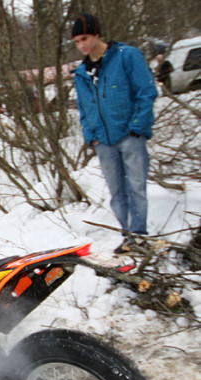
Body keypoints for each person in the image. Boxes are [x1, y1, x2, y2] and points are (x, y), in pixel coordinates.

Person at [71, 13, 158, 254]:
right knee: (116, 192)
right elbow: (84, 108)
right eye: (77, 41)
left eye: (85, 38)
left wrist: (137, 128)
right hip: (104, 142)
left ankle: (139, 235)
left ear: (97, 34)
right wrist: (92, 136)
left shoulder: (126, 56)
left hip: (130, 135)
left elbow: (146, 92)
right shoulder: (81, 72)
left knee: (136, 187)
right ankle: (127, 236)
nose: (82, 45)